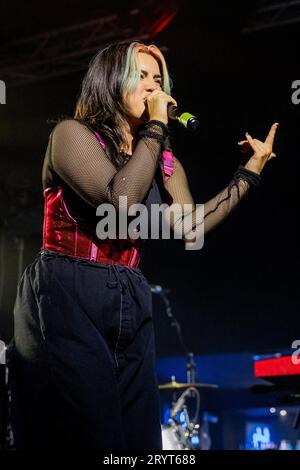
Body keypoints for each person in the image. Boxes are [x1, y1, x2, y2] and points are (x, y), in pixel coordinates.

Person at [12, 40, 278, 450]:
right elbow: (120, 200)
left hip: (129, 292)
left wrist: (249, 172)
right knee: (86, 432)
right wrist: (155, 128)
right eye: (141, 77)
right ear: (110, 82)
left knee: (136, 438)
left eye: (159, 79)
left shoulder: (161, 159)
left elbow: (193, 229)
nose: (153, 87)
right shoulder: (71, 135)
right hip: (68, 287)